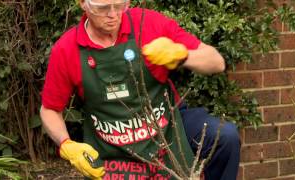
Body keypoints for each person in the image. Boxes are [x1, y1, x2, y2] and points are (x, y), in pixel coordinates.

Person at [40, 0, 241, 179]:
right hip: (112, 143)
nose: (113, 14)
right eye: (103, 8)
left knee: (225, 137)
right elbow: (50, 109)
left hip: (167, 124)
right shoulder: (67, 49)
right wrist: (66, 144)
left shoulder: (149, 24)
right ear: (83, 4)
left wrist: (182, 56)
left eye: (119, 6)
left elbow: (216, 62)